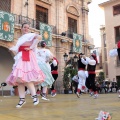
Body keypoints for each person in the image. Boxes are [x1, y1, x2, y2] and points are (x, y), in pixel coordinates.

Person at [6, 22, 45, 108]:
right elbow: (17, 48)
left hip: (27, 56)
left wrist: (31, 47)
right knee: (19, 80)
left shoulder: (30, 35)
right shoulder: (20, 38)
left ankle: (34, 97)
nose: (26, 29)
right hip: (21, 57)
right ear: (21, 28)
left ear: (29, 29)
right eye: (24, 27)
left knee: (28, 78)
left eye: (27, 27)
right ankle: (22, 99)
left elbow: (39, 37)